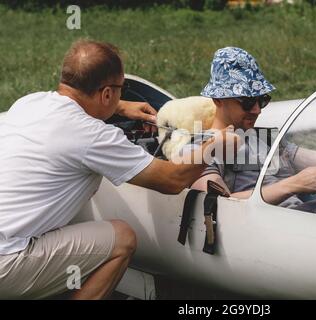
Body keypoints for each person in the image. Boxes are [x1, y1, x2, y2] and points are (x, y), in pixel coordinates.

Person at [0, 40, 236, 299]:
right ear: (106, 94)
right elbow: (173, 179)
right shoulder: (93, 136)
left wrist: (120, 106)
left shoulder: (30, 102)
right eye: (119, 90)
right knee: (122, 239)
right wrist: (215, 143)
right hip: (7, 262)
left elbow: (72, 109)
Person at [188, 47, 316, 222]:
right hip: (268, 228)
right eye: (248, 102)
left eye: (262, 100)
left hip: (302, 221)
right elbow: (216, 205)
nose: (257, 110)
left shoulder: (266, 139)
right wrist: (294, 184)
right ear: (218, 100)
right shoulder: (201, 147)